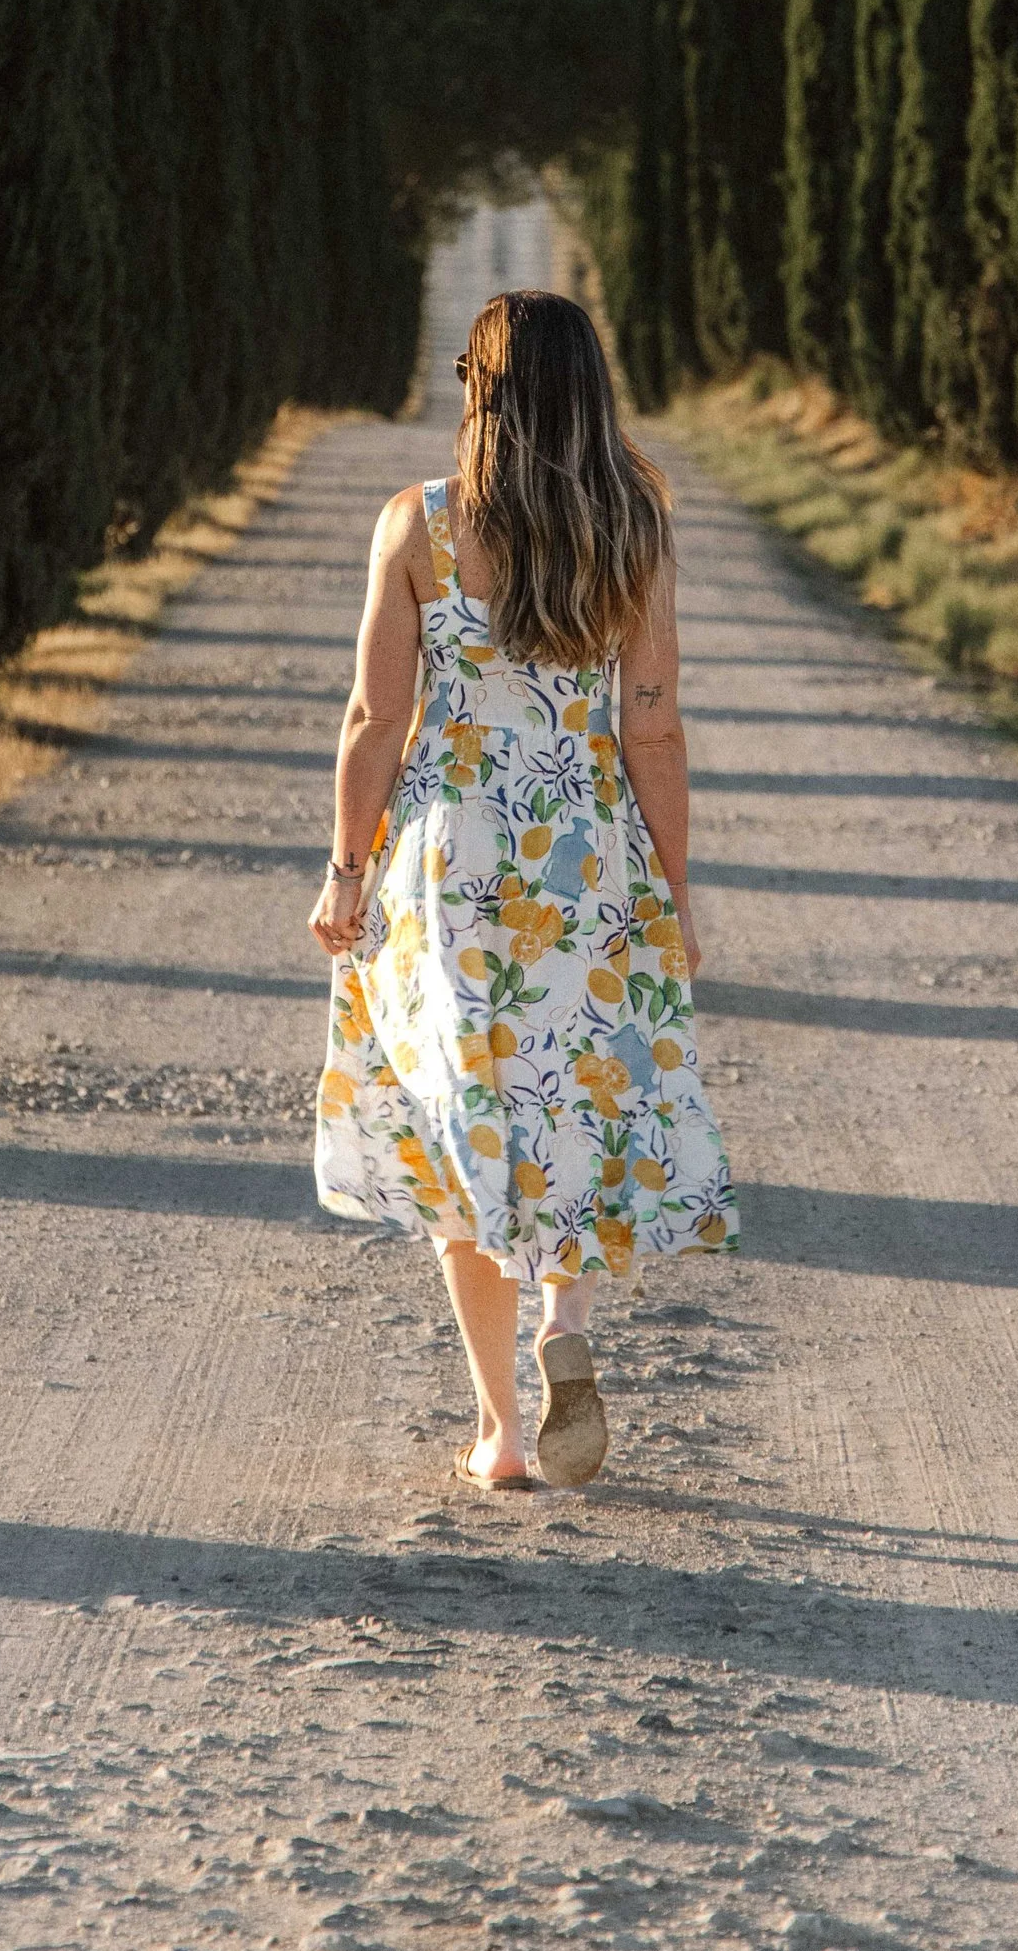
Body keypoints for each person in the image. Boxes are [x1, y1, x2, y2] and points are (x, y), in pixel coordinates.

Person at [308, 288, 735, 1491]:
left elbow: (374, 720)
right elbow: (652, 726)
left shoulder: (422, 526)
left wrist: (345, 870)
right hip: (591, 854)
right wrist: (678, 891)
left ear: (479, 391)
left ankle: (500, 1431)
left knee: (466, 1128)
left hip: (453, 866)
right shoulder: (635, 526)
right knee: (577, 1102)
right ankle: (566, 1314)